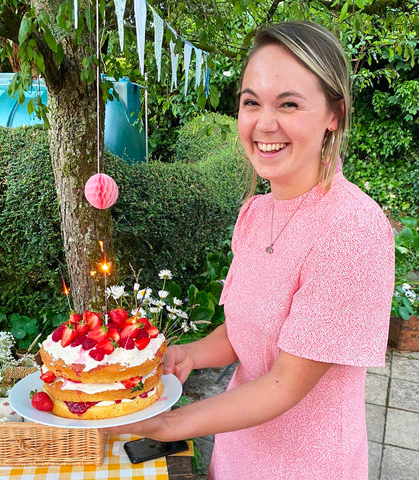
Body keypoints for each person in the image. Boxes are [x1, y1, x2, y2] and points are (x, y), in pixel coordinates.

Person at [103, 21, 395, 479]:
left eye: (290, 104)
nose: (264, 123)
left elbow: (284, 383)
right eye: (251, 102)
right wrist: (193, 354)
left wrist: (170, 421)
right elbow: (246, 331)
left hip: (308, 467)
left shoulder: (353, 230)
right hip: (238, 454)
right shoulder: (257, 212)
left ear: (334, 113)